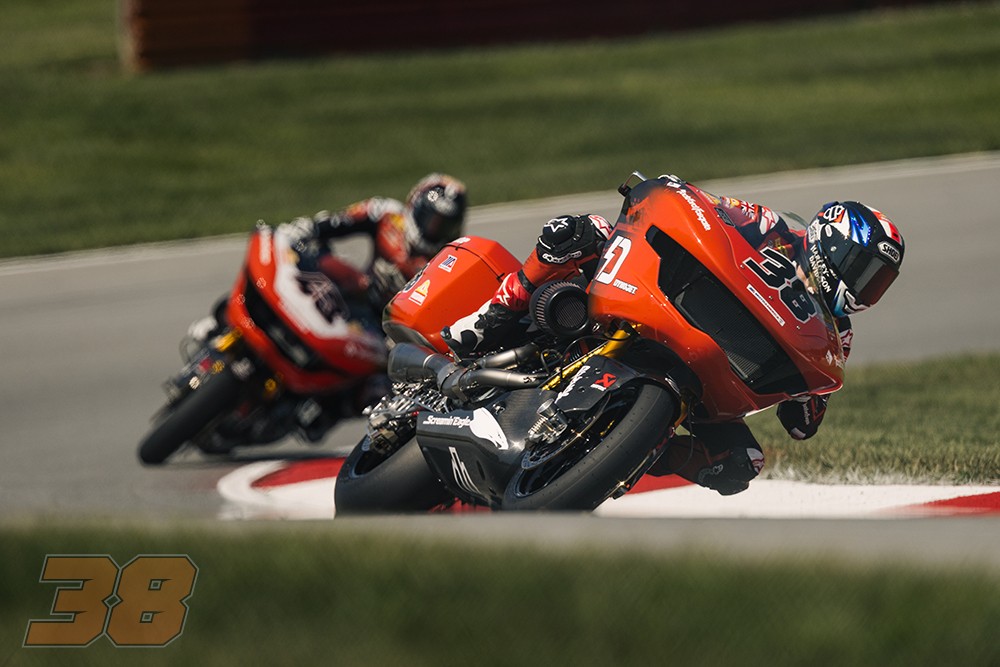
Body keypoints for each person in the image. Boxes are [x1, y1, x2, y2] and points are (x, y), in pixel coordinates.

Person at [442, 175, 905, 496]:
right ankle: (492, 314)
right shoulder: (774, 227)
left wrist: (811, 399)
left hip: (712, 377)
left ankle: (630, 452)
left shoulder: (835, 336)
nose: (867, 289)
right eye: (864, 271)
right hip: (669, 301)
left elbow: (802, 424)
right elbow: (709, 208)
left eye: (878, 283)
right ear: (832, 242)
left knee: (741, 463)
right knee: (580, 232)